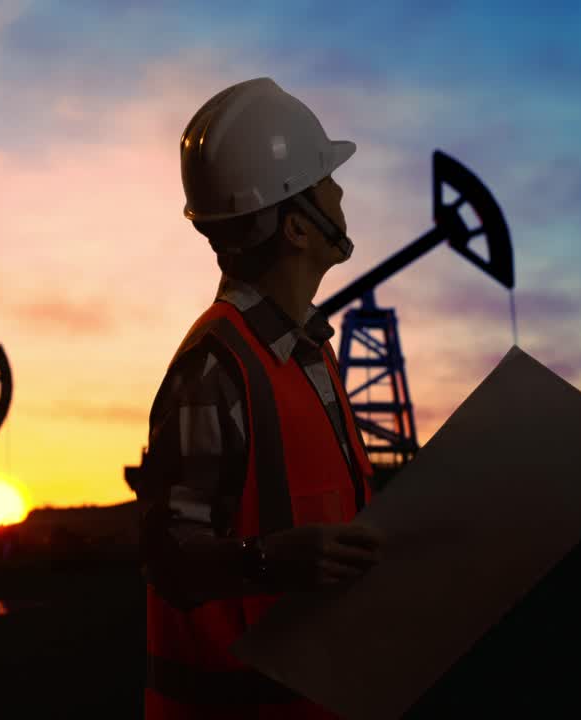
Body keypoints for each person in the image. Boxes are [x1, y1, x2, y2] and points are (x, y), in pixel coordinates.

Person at [138, 77, 386, 719]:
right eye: (326, 180)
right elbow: (169, 558)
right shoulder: (215, 369)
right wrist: (271, 561)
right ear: (300, 228)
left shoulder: (309, 354)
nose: (341, 190)